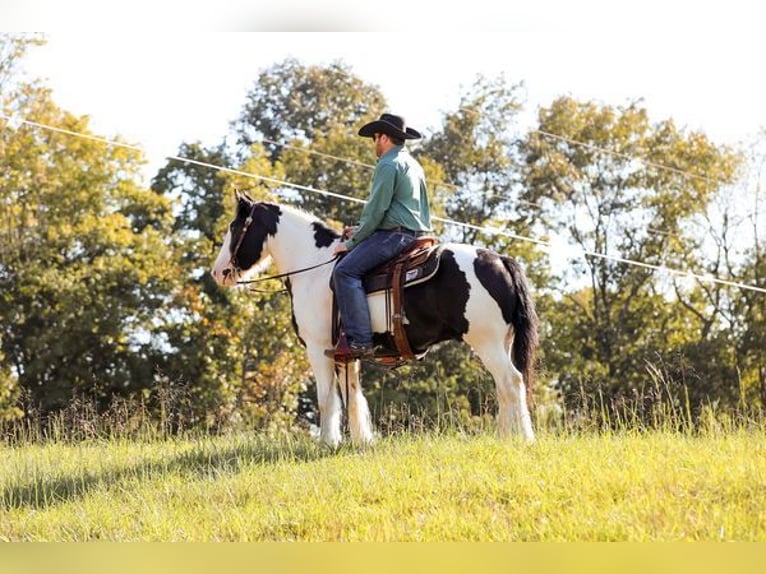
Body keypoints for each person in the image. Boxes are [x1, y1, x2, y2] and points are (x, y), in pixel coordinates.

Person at [327, 113, 432, 360]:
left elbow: (377, 209)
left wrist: (351, 242)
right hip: (418, 234)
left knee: (345, 272)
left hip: (394, 237)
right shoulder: (413, 164)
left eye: (375, 137)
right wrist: (362, 229)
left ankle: (361, 342)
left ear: (384, 137)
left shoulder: (387, 163)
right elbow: (398, 209)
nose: (374, 143)